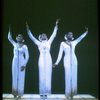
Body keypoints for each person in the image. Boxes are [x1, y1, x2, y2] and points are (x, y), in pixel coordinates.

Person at [26, 19, 59, 98]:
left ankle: (47, 93)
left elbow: (54, 34)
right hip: (41, 59)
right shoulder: (38, 43)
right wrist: (28, 29)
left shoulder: (49, 42)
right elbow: (32, 37)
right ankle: (42, 92)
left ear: (47, 37)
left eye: (45, 35)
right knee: (41, 75)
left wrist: (56, 25)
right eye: (42, 35)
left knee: (48, 75)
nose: (44, 35)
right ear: (40, 37)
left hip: (48, 59)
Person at [53, 28, 88, 99]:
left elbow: (80, 37)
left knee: (74, 76)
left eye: (71, 34)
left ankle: (73, 93)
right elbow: (60, 54)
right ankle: (67, 93)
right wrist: (56, 63)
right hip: (66, 60)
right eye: (69, 34)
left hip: (74, 60)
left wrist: (86, 32)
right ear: (66, 35)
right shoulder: (62, 43)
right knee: (68, 76)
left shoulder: (74, 42)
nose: (71, 35)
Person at [8, 25, 29, 98]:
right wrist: (10, 30)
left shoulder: (25, 46)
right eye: (18, 36)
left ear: (22, 38)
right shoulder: (14, 44)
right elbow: (9, 38)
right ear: (16, 38)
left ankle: (20, 94)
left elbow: (27, 56)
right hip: (14, 61)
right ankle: (14, 93)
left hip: (22, 62)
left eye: (21, 36)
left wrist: (24, 64)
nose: (19, 37)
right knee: (14, 76)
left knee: (21, 77)